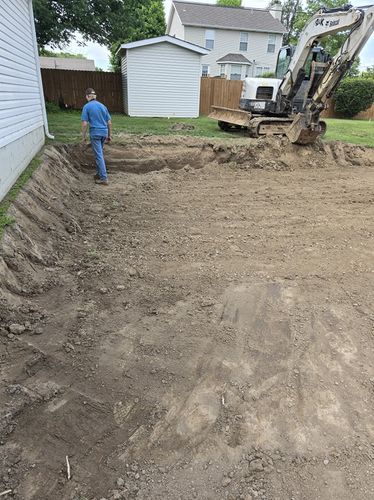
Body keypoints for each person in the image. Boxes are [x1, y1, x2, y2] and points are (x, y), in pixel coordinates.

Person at [81, 88, 112, 185]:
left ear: (87, 96)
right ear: (95, 96)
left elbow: (85, 124)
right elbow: (109, 122)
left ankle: (104, 178)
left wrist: (83, 136)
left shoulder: (86, 107)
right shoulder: (103, 106)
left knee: (98, 155)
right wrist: (109, 135)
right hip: (104, 133)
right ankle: (99, 174)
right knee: (99, 154)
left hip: (95, 134)